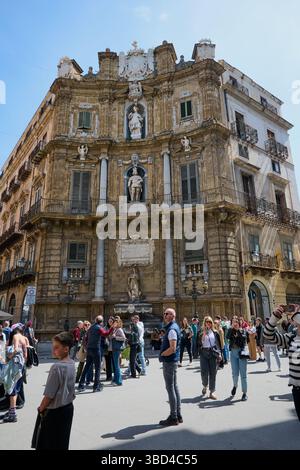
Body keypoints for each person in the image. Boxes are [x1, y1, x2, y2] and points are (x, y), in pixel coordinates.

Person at [32, 332, 75, 449]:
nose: (53, 350)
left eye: (56, 347)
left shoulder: (57, 367)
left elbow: (49, 395)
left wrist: (41, 408)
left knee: (49, 443)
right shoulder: (72, 363)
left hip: (54, 412)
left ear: (66, 349)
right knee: (62, 442)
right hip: (68, 408)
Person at [264, 304, 300, 421]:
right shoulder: (291, 337)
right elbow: (268, 335)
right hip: (297, 389)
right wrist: (274, 317)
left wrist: (295, 314)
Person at [77, 316, 115, 392]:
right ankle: (96, 386)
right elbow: (105, 334)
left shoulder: (91, 328)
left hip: (89, 349)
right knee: (97, 368)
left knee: (87, 366)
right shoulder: (99, 328)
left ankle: (81, 385)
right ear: (101, 322)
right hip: (96, 349)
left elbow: (86, 338)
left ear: (95, 320)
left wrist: (87, 346)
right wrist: (112, 327)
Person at [159, 308, 182, 426]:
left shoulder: (172, 329)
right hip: (172, 361)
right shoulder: (173, 327)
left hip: (169, 361)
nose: (164, 315)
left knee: (170, 388)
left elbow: (172, 348)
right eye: (164, 313)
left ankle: (173, 417)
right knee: (175, 387)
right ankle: (178, 414)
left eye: (166, 313)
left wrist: (162, 354)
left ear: (172, 316)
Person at [0, 325, 27, 423]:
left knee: (12, 389)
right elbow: (26, 354)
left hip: (15, 366)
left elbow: (15, 349)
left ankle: (12, 414)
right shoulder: (24, 338)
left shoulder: (16, 336)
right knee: (15, 389)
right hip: (21, 366)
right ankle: (12, 412)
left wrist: (9, 357)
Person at [198, 316, 222, 400]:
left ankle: (212, 391)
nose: (208, 323)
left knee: (213, 373)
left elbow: (218, 344)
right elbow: (199, 343)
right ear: (204, 323)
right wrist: (204, 334)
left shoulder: (215, 332)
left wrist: (220, 354)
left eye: (210, 322)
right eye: (207, 322)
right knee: (204, 372)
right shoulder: (201, 332)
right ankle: (205, 385)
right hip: (204, 353)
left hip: (212, 353)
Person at [227, 317, 249, 401]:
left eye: (236, 322)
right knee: (235, 373)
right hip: (233, 353)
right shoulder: (230, 330)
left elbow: (244, 339)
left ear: (239, 323)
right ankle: (235, 386)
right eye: (233, 322)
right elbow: (227, 337)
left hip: (241, 353)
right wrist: (232, 328)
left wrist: (238, 331)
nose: (235, 323)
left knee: (243, 374)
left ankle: (244, 393)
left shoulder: (242, 331)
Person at [111, 317, 126, 386]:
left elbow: (124, 338)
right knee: (115, 365)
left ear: (118, 323)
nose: (113, 324)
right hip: (114, 349)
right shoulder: (115, 330)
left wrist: (115, 337)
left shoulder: (119, 329)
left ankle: (119, 381)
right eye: (113, 323)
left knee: (116, 366)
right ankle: (116, 379)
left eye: (115, 323)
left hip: (117, 349)